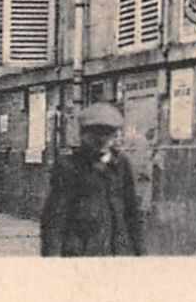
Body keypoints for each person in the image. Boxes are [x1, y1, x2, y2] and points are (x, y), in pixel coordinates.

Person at [39, 102, 144, 256]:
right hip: (81, 251)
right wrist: (52, 258)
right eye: (95, 134)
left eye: (107, 133)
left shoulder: (121, 164)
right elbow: (55, 217)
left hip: (117, 250)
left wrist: (139, 252)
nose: (101, 139)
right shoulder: (69, 166)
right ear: (83, 135)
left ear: (115, 135)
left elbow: (132, 211)